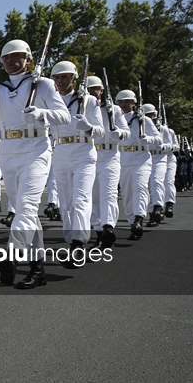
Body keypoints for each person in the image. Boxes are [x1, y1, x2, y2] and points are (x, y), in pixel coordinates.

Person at [0, 40, 71, 289]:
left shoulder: (43, 84)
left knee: (25, 207)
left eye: (17, 57)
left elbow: (65, 116)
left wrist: (41, 114)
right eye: (6, 58)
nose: (11, 61)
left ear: (27, 58)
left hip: (36, 150)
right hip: (8, 151)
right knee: (27, 212)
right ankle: (38, 269)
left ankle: (11, 254)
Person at [48, 61, 104, 267]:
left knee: (81, 198)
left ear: (74, 78)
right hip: (61, 151)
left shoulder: (88, 100)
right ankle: (71, 238)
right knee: (67, 201)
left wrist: (88, 127)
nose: (60, 81)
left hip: (84, 152)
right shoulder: (51, 99)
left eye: (65, 77)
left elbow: (100, 131)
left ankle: (78, 244)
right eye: (57, 77)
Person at [86, 76, 128, 248]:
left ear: (101, 91)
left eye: (94, 89)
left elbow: (127, 131)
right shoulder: (82, 108)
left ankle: (108, 226)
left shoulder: (115, 110)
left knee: (109, 193)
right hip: (89, 155)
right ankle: (98, 230)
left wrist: (120, 133)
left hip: (109, 155)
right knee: (93, 197)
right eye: (88, 89)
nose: (91, 92)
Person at [115, 90, 163, 240]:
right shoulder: (115, 119)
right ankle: (132, 222)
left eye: (127, 101)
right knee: (127, 193)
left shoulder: (143, 120)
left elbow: (159, 140)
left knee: (140, 187)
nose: (124, 104)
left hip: (141, 158)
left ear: (134, 102)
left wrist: (147, 139)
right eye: (121, 102)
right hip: (122, 158)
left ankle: (139, 218)